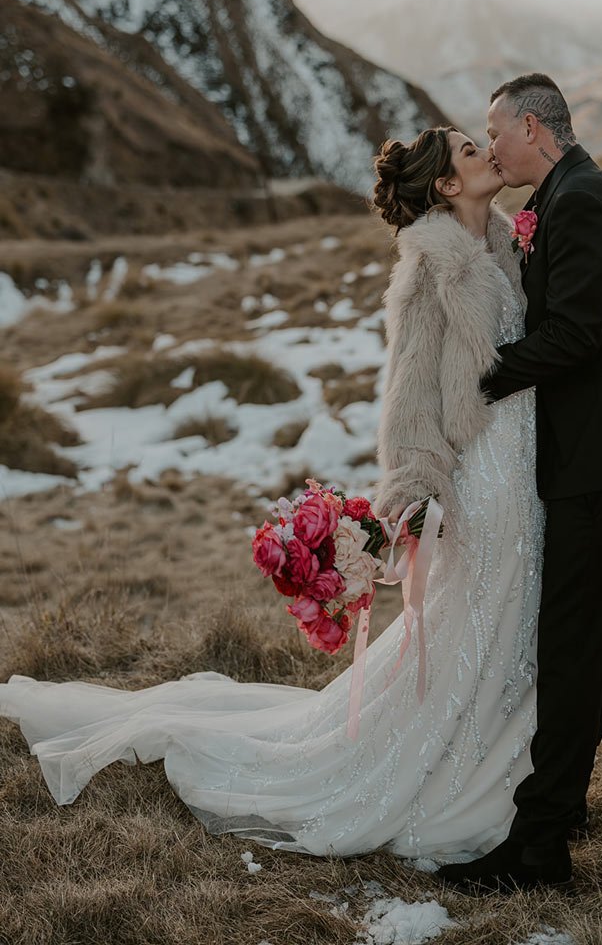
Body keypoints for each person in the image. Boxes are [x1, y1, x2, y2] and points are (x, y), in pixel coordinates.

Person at [0, 126, 547, 863]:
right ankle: (447, 775)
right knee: (472, 621)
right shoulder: (430, 268)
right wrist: (414, 486)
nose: (488, 151)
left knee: (513, 621)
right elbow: (409, 394)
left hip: (527, 465)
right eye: (472, 150)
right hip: (479, 476)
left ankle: (511, 767)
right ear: (447, 185)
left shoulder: (511, 244)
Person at [437, 74, 602, 894]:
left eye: (495, 129)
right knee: (572, 644)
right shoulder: (570, 193)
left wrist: (473, 382)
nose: (491, 143)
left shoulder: (582, 204)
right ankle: (561, 806)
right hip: (600, 454)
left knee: (572, 649)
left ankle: (541, 847)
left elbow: (573, 336)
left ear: (534, 129)